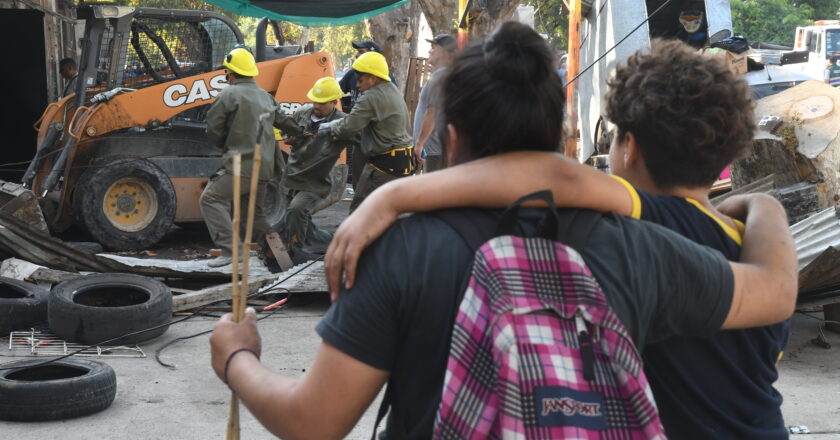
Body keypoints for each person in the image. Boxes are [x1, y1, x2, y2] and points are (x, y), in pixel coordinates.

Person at [210, 22, 797, 439]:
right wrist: (765, 207)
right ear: (557, 135)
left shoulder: (400, 251)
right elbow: (772, 291)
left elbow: (314, 423)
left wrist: (237, 358)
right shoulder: (639, 247)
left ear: (456, 137)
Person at [200, 47, 282, 267]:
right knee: (253, 213)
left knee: (210, 198)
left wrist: (224, 144)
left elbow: (214, 130)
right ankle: (279, 252)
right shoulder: (266, 96)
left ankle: (231, 251)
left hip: (241, 167)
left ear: (231, 73)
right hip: (264, 168)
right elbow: (284, 122)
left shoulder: (228, 95)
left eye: (226, 72)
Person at [321, 51, 414, 212]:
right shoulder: (391, 89)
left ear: (373, 78)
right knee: (388, 214)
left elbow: (348, 128)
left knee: (361, 212)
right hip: (403, 162)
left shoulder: (371, 97)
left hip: (384, 166)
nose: (357, 85)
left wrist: (330, 127)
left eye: (361, 80)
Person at [273, 77, 352, 263]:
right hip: (292, 175)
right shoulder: (302, 113)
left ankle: (296, 252)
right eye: (314, 100)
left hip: (316, 180)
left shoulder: (343, 122)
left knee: (297, 209)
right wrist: (290, 138)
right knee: (296, 221)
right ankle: (337, 241)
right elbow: (286, 133)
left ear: (334, 102)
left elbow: (360, 140)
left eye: (322, 102)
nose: (316, 105)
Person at [338, 40, 396, 190]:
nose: (357, 54)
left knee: (375, 181)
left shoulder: (386, 80)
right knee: (358, 178)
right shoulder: (352, 73)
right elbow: (336, 92)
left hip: (377, 139)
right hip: (358, 134)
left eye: (361, 51)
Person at [413, 34, 457, 172]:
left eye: (433, 47)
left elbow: (433, 112)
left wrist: (420, 143)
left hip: (435, 151)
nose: (429, 51)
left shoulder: (441, 76)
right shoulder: (448, 74)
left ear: (444, 52)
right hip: (439, 149)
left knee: (433, 192)